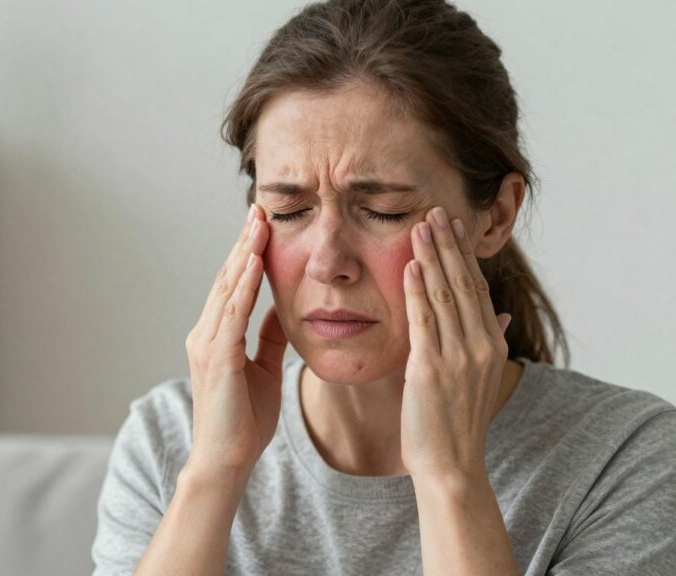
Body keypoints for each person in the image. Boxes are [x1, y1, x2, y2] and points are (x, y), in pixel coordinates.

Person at [92, 0, 676, 574]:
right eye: (289, 210)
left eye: (384, 211)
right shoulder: (169, 440)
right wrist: (215, 473)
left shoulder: (628, 460)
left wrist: (451, 477)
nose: (327, 262)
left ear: (495, 217)